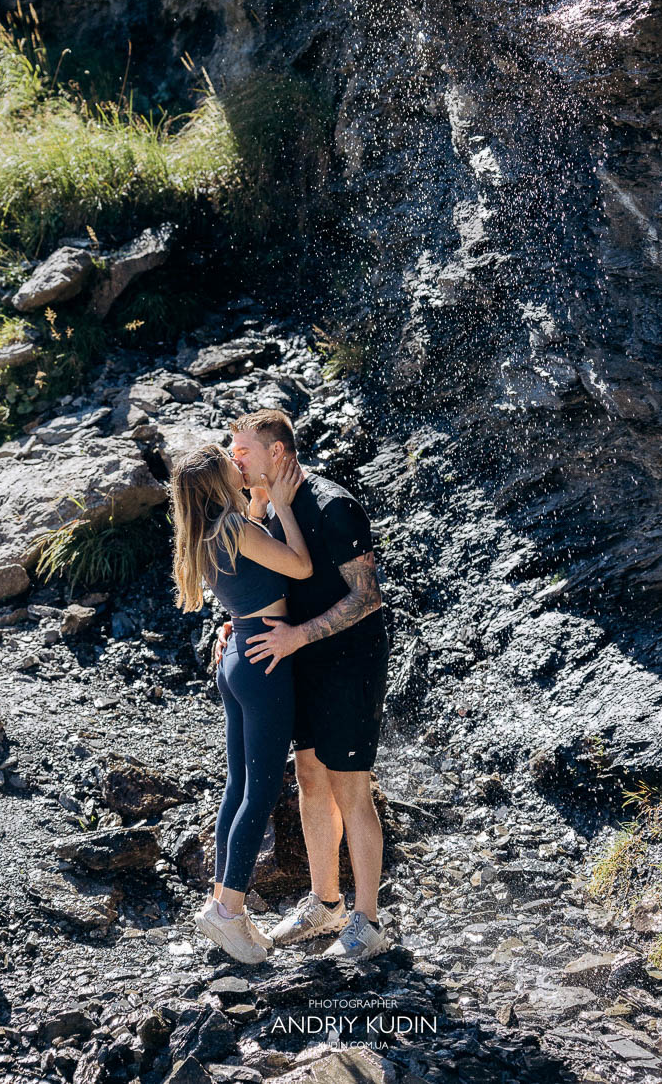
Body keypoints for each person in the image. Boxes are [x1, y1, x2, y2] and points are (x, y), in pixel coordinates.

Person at [215, 408, 390, 962]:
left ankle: (367, 922)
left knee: (350, 788)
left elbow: (368, 597)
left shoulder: (334, 504)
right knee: (311, 779)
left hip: (349, 664)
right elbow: (265, 580)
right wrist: (238, 626)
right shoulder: (267, 508)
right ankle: (325, 902)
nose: (235, 459)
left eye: (243, 450)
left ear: (278, 452)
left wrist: (296, 636)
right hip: (301, 664)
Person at [170, 442, 312, 965]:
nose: (238, 460)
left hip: (238, 657)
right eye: (228, 459)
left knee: (238, 786)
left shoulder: (208, 532)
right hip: (262, 660)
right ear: (217, 480)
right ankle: (230, 910)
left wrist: (258, 503)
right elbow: (299, 566)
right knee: (262, 791)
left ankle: (220, 903)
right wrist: (284, 504)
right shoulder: (235, 529)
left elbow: (247, 565)